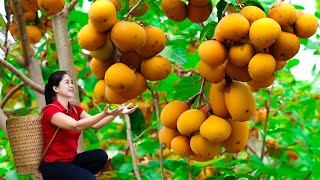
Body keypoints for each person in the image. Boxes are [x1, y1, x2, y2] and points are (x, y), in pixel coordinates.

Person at [40, 70, 137, 180]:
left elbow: (97, 125)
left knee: (101, 156)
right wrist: (104, 113)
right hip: (53, 166)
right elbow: (75, 125)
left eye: (72, 82)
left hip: (71, 161)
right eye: (67, 82)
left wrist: (117, 113)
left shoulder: (75, 110)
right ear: (55, 88)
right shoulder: (51, 110)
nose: (71, 85)